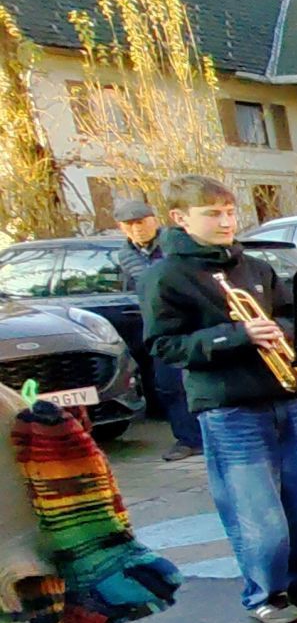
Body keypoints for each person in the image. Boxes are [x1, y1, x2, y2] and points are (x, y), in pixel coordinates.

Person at [141, 175, 297, 623]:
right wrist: (236, 335)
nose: (226, 222)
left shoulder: (254, 267)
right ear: (180, 218)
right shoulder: (165, 275)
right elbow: (163, 345)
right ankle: (265, 595)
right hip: (228, 406)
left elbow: (290, 315)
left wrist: (284, 331)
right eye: (212, 214)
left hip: (283, 396)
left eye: (229, 212)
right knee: (258, 514)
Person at [112, 196, 204, 461]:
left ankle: (211, 435)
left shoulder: (176, 242)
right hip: (158, 326)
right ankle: (188, 439)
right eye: (129, 224)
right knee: (168, 385)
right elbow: (143, 284)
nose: (136, 229)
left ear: (154, 220)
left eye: (141, 222)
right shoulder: (125, 255)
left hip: (191, 322)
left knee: (199, 381)